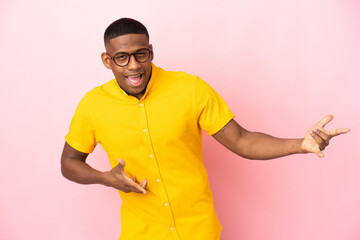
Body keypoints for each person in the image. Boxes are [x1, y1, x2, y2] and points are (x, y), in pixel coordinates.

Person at [61, 18, 350, 240]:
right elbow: (69, 162)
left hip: (199, 230)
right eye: (122, 57)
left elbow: (243, 140)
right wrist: (105, 178)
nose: (134, 66)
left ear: (151, 51)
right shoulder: (92, 105)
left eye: (141, 54)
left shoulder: (190, 89)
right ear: (107, 60)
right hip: (142, 232)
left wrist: (300, 143)